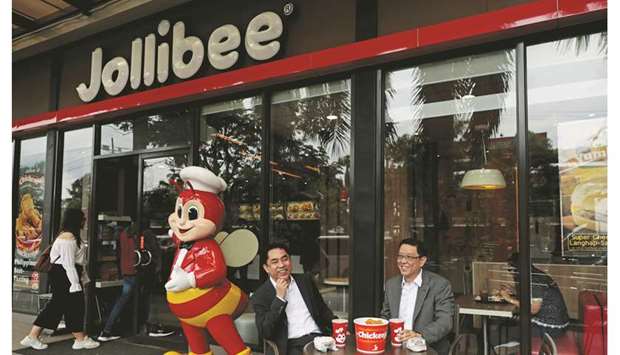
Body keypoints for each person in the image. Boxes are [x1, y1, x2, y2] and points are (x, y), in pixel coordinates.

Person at [20, 208, 101, 350]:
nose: (85, 221)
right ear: (76, 220)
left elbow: (77, 263)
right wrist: (75, 283)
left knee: (57, 306)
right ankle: (80, 339)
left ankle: (32, 336)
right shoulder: (68, 238)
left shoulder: (69, 235)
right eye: (83, 218)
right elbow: (69, 264)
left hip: (64, 274)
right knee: (75, 306)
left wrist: (82, 278)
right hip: (65, 275)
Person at [251, 242, 337, 355]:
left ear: (290, 261)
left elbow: (322, 309)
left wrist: (338, 326)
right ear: (266, 268)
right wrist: (279, 298)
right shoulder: (260, 295)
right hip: (292, 346)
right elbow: (265, 332)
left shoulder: (305, 281)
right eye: (275, 262)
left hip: (320, 339)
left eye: (284, 259)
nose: (282, 265)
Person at [380, 238, 454, 355]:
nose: (403, 261)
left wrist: (419, 335)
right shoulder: (391, 285)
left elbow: (445, 322)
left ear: (422, 261)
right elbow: (386, 316)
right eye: (400, 256)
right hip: (395, 349)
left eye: (409, 257)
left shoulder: (439, 285)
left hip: (427, 349)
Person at [497, 253, 569, 338]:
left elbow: (533, 309)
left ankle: (516, 349)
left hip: (551, 327)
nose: (510, 273)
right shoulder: (535, 274)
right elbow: (536, 295)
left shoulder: (533, 280)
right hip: (559, 323)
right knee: (510, 324)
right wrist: (513, 290)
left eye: (510, 269)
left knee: (502, 333)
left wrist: (509, 299)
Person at [97, 224, 139, 341]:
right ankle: (107, 329)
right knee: (123, 302)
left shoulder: (121, 235)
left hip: (123, 272)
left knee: (118, 301)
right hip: (133, 272)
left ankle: (107, 328)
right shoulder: (136, 235)